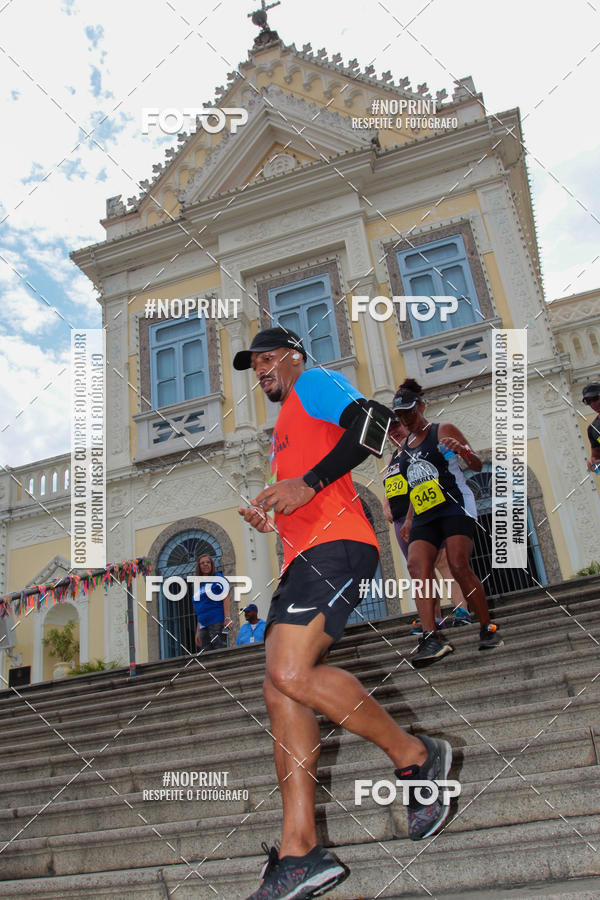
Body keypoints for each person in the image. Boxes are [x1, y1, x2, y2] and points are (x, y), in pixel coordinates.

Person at [235, 327, 457, 900]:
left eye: (267, 359)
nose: (260, 371)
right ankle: (300, 852)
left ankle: (415, 756)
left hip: (337, 548)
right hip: (303, 558)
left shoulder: (314, 382)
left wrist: (306, 485)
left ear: (294, 356)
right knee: (280, 689)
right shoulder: (283, 429)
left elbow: (375, 423)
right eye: (253, 365)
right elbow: (304, 492)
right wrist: (276, 511)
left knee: (289, 671)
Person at [393, 379, 504, 667]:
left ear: (421, 406)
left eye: (409, 413)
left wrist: (462, 451)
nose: (405, 420)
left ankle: (487, 627)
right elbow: (415, 485)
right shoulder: (404, 447)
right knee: (416, 566)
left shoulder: (442, 430)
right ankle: (431, 637)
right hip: (424, 514)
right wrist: (409, 519)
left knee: (457, 565)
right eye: (400, 416)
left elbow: (476, 464)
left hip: (454, 505)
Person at [383, 416, 473, 630]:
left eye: (396, 425)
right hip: (400, 521)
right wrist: (386, 505)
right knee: (420, 569)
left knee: (443, 561)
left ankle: (462, 610)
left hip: (425, 513)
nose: (393, 432)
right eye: (389, 430)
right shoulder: (393, 457)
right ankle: (433, 618)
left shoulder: (421, 447)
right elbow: (390, 484)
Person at [192, 554, 233, 652]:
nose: (205, 564)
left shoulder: (218, 577)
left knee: (219, 651)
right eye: (202, 563)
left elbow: (225, 596)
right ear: (199, 566)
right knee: (207, 654)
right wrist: (197, 631)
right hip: (203, 625)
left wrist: (227, 618)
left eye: (208, 562)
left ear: (212, 565)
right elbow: (199, 609)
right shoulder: (198, 585)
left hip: (216, 621)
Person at [583, 382, 600, 473]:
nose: (593, 404)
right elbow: (595, 457)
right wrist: (595, 467)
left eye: (595, 399)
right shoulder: (593, 429)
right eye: (588, 401)